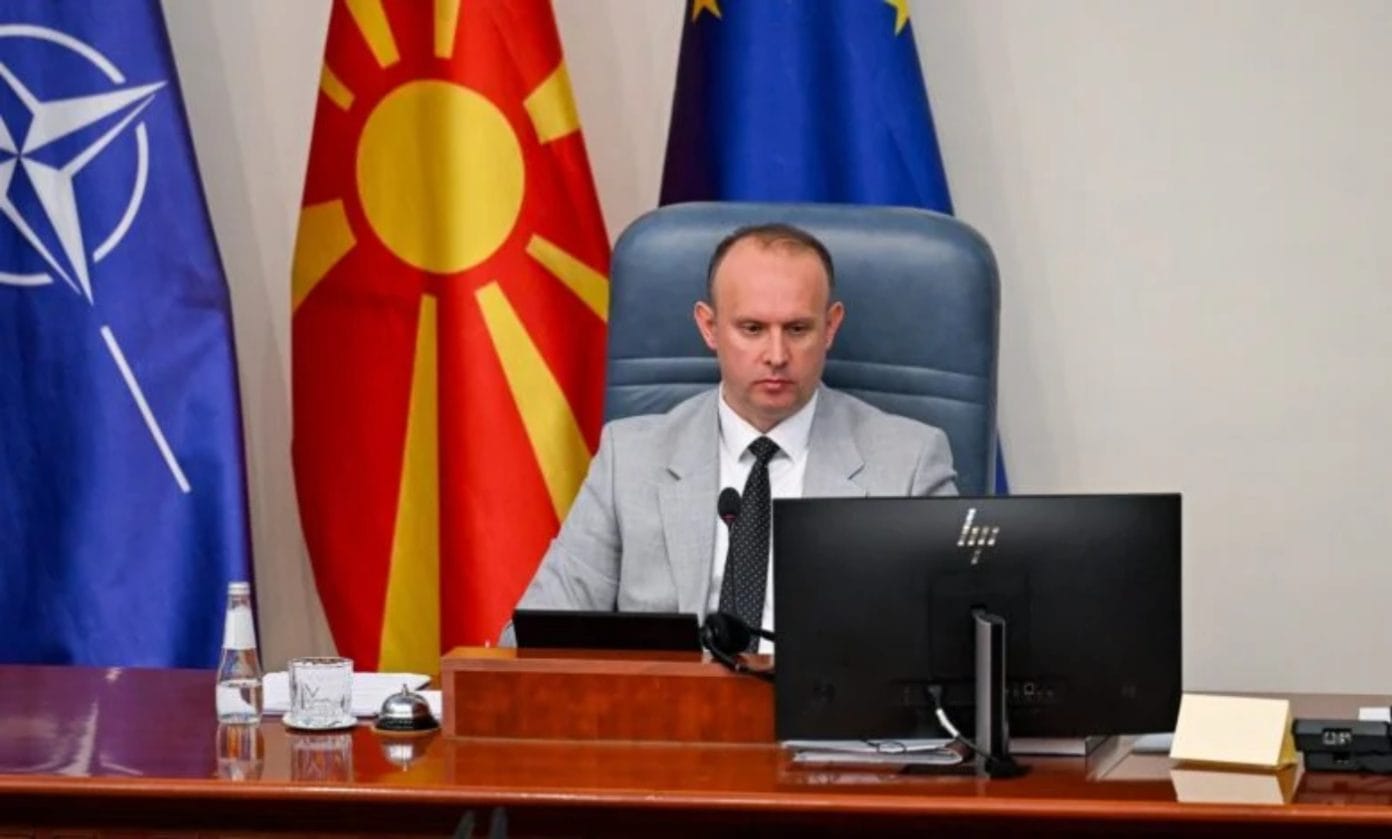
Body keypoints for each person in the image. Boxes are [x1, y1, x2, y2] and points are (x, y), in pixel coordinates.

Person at [512, 223, 957, 642]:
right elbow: (533, 640)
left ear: (831, 327)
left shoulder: (909, 465)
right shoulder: (629, 459)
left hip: (825, 699)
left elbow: (953, 648)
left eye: (797, 329)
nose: (776, 355)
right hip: (668, 698)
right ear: (709, 327)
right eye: (753, 328)